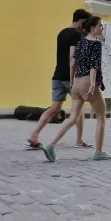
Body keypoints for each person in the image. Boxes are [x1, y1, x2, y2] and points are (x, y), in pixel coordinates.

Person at [43, 16, 111, 162]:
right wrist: (93, 84)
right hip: (88, 82)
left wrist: (72, 80)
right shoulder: (96, 44)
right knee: (101, 117)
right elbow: (94, 65)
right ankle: (99, 152)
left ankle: (51, 145)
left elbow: (72, 62)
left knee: (72, 117)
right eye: (100, 26)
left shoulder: (80, 42)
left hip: (76, 83)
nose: (102, 28)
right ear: (93, 27)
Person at [26, 9, 91, 149]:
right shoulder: (77, 35)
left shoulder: (62, 33)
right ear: (81, 20)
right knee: (78, 109)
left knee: (55, 108)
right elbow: (72, 57)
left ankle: (34, 135)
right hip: (70, 76)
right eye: (86, 22)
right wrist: (75, 78)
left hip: (57, 75)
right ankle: (79, 140)